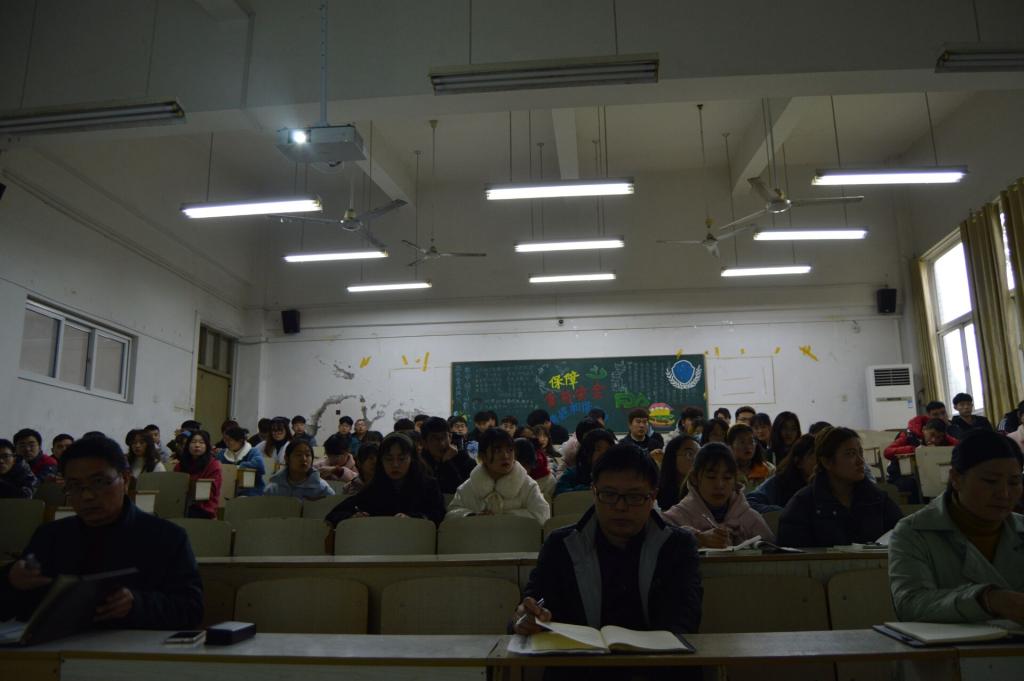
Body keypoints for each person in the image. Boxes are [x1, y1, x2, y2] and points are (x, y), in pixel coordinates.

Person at [513, 444, 703, 681]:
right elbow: (534, 603)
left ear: (653, 496)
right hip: (580, 673)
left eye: (634, 497)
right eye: (609, 495)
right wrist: (525, 617)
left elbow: (684, 619)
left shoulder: (677, 546)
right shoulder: (561, 545)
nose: (621, 507)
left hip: (659, 670)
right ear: (593, 492)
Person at [0, 436, 203, 628]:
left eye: (98, 482)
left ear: (125, 480)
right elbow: (15, 610)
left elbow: (192, 609)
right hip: (57, 648)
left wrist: (137, 604)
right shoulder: (51, 536)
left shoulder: (166, 537)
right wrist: (11, 582)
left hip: (131, 649)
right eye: (75, 486)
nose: (87, 496)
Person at [888, 429, 1024, 623]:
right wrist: (986, 600)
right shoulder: (914, 532)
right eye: (991, 481)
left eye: (1014, 482)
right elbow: (910, 603)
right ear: (956, 478)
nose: (1004, 494)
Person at [778, 427, 902, 548]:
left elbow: (902, 535)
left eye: (860, 453)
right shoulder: (803, 504)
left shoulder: (877, 499)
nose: (860, 461)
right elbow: (791, 555)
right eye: (850, 454)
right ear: (827, 462)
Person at [663, 442, 774, 547]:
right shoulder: (677, 518)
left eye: (727, 478)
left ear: (735, 481)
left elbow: (773, 553)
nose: (719, 485)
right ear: (694, 478)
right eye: (711, 477)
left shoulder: (750, 519)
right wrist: (698, 538)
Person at [325, 432, 446, 526]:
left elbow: (440, 516)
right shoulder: (374, 488)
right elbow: (333, 515)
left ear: (412, 460)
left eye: (402, 459)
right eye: (388, 459)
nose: (395, 465)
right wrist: (352, 517)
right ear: (381, 462)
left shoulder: (428, 486)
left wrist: (415, 519)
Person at [446, 428, 550, 524]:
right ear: (483, 456)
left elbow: (542, 515)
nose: (505, 456)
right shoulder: (470, 486)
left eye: (510, 450)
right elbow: (451, 515)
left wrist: (503, 518)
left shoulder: (528, 485)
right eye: (497, 450)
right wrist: (472, 516)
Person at [885, 416, 959, 504]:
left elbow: (960, 447)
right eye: (932, 434)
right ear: (924, 429)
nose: (934, 440)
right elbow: (887, 452)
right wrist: (914, 450)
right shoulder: (908, 435)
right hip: (902, 475)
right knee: (912, 485)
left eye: (938, 437)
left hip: (930, 475)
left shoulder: (945, 438)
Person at [746, 434, 817, 513]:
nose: (821, 463)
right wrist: (785, 512)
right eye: (816, 458)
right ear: (798, 462)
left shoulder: (822, 483)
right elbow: (750, 502)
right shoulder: (780, 482)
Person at [419, 416, 476, 494]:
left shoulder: (463, 459)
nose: (442, 444)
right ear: (424, 442)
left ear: (450, 437)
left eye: (444, 437)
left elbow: (462, 491)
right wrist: (445, 464)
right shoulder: (419, 463)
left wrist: (447, 462)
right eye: (435, 439)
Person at [263, 438, 334, 500]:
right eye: (298, 455)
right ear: (287, 458)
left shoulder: (322, 488)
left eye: (308, 455)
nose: (304, 459)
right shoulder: (273, 489)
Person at [174, 430, 222, 519]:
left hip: (204, 506)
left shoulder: (213, 465)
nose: (197, 445)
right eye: (193, 442)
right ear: (188, 445)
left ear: (207, 446)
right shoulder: (180, 465)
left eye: (201, 442)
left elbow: (211, 492)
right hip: (181, 503)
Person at [555, 429, 616, 496]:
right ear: (587, 452)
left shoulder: (617, 474)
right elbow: (560, 495)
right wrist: (586, 489)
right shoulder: (572, 474)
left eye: (608, 449)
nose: (604, 453)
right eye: (598, 449)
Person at [215, 426, 265, 496]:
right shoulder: (222, 453)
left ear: (240, 441)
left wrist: (238, 467)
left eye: (230, 440)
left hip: (251, 491)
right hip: (227, 490)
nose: (227, 443)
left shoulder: (252, 451)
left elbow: (260, 466)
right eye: (225, 440)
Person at [726, 423, 774, 492]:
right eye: (742, 442)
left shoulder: (769, 470)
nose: (748, 446)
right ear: (730, 446)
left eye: (751, 441)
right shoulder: (726, 472)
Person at [656, 435, 699, 511]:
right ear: (672, 457)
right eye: (690, 454)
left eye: (699, 455)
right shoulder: (657, 492)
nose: (696, 460)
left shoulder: (703, 491)